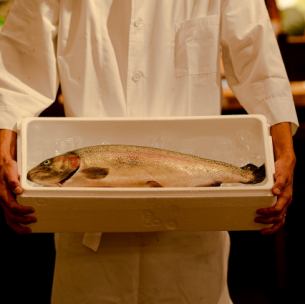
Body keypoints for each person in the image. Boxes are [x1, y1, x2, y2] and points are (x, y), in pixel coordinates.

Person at [0, 1, 298, 303]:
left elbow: (258, 60)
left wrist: (284, 150)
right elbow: (18, 65)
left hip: (193, 229)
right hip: (90, 229)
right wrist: (4, 154)